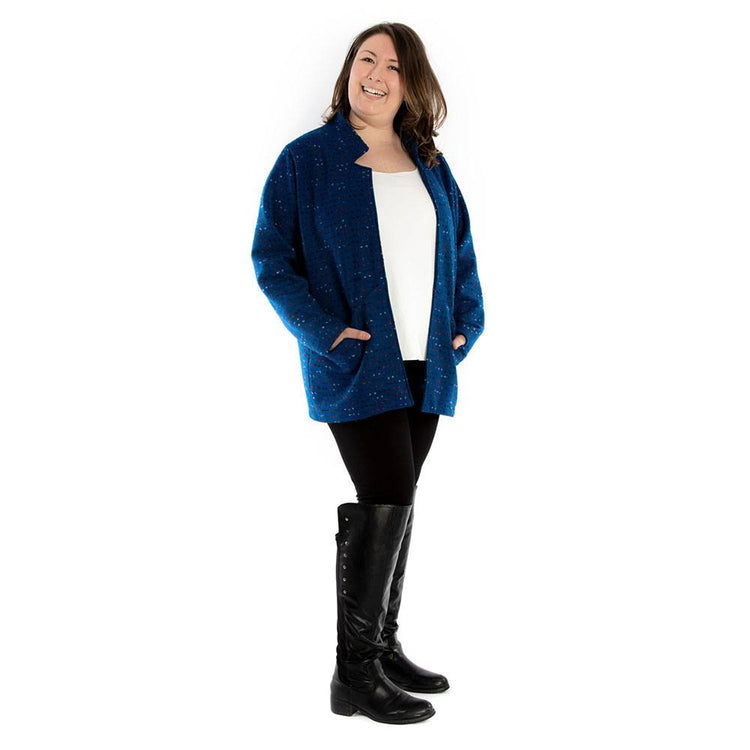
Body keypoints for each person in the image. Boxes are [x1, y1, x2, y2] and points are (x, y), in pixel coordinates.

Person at [251, 23, 484, 724]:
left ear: (412, 84)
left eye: (393, 66)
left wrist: (465, 323)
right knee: (385, 490)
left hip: (426, 362)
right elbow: (272, 259)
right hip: (356, 362)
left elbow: (461, 248)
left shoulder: (429, 162)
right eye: (366, 60)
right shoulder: (308, 160)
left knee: (400, 496)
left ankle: (380, 647)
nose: (376, 75)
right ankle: (353, 673)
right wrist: (324, 331)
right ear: (349, 70)